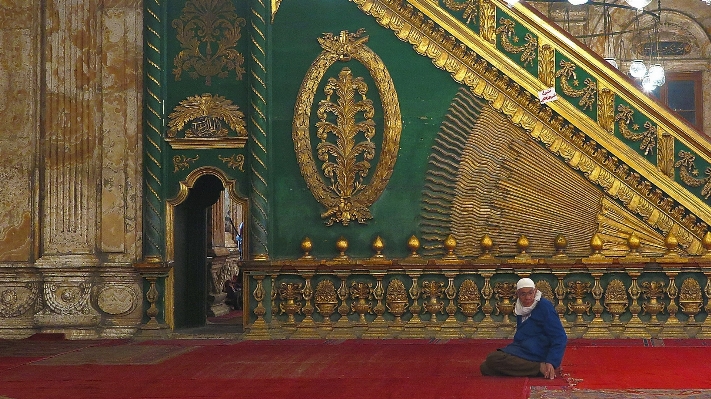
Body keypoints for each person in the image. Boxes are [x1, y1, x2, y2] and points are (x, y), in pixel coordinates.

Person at [480, 278, 567, 379]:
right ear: (517, 294)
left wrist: (551, 361)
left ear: (535, 291)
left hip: (537, 353)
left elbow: (560, 336)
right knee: (485, 368)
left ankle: (538, 367)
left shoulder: (544, 306)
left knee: (493, 358)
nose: (528, 297)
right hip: (523, 350)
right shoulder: (520, 306)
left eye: (530, 293)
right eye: (523, 294)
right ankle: (529, 369)